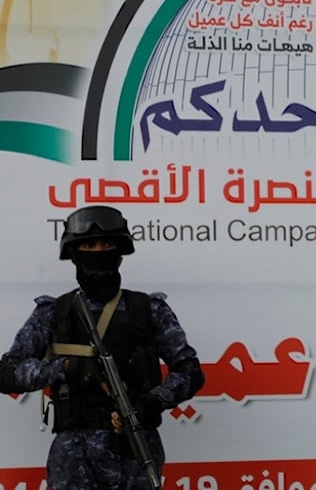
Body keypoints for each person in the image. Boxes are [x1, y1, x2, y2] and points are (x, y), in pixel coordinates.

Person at [0, 205, 205, 489]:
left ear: (120, 251)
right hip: (73, 459)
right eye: (88, 244)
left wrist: (151, 403)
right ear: (74, 253)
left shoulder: (149, 310)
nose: (98, 251)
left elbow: (190, 371)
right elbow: (9, 373)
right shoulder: (53, 313)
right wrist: (66, 368)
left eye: (107, 243)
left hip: (135, 452)